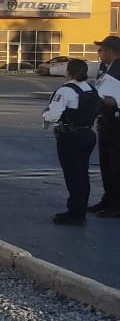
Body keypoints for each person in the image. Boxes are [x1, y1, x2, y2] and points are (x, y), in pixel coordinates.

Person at [42, 58, 101, 225]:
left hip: (70, 136)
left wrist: (45, 116)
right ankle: (79, 210)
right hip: (88, 134)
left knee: (72, 175)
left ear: (69, 72)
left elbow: (53, 115)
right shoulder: (90, 88)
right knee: (82, 174)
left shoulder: (66, 91)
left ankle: (75, 214)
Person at [92, 35, 120, 217]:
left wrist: (115, 103)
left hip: (117, 121)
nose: (99, 53)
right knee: (106, 163)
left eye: (101, 50)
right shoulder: (105, 68)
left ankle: (117, 205)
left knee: (116, 164)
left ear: (109, 51)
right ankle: (108, 199)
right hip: (106, 121)